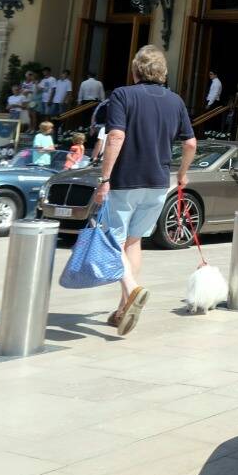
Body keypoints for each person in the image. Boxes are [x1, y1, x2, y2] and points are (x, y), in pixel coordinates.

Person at [88, 46, 196, 336]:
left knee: (113, 240)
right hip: (159, 182)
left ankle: (132, 289)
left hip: (126, 180)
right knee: (133, 242)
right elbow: (190, 144)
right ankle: (123, 308)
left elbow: (116, 135)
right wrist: (183, 174)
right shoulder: (176, 101)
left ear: (136, 70)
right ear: (163, 72)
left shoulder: (123, 95)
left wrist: (104, 178)